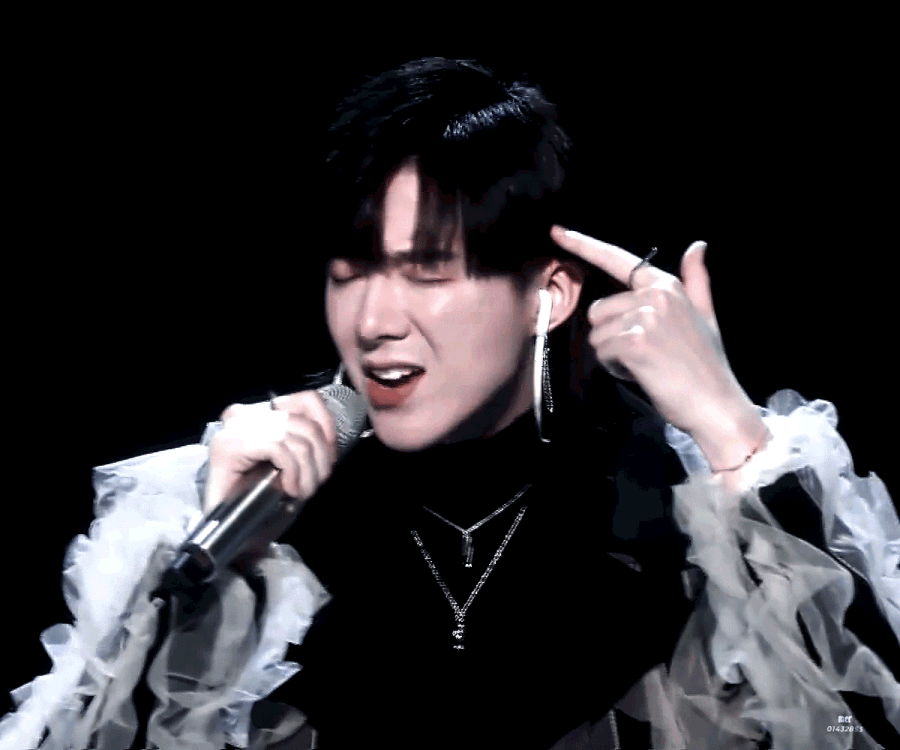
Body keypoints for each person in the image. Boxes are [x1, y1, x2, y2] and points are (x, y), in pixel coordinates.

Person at [2, 57, 899, 750]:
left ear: (548, 295)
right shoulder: (246, 501)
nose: (374, 321)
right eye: (350, 272)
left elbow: (858, 724)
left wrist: (731, 429)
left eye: (427, 271)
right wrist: (222, 573)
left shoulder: (685, 510)